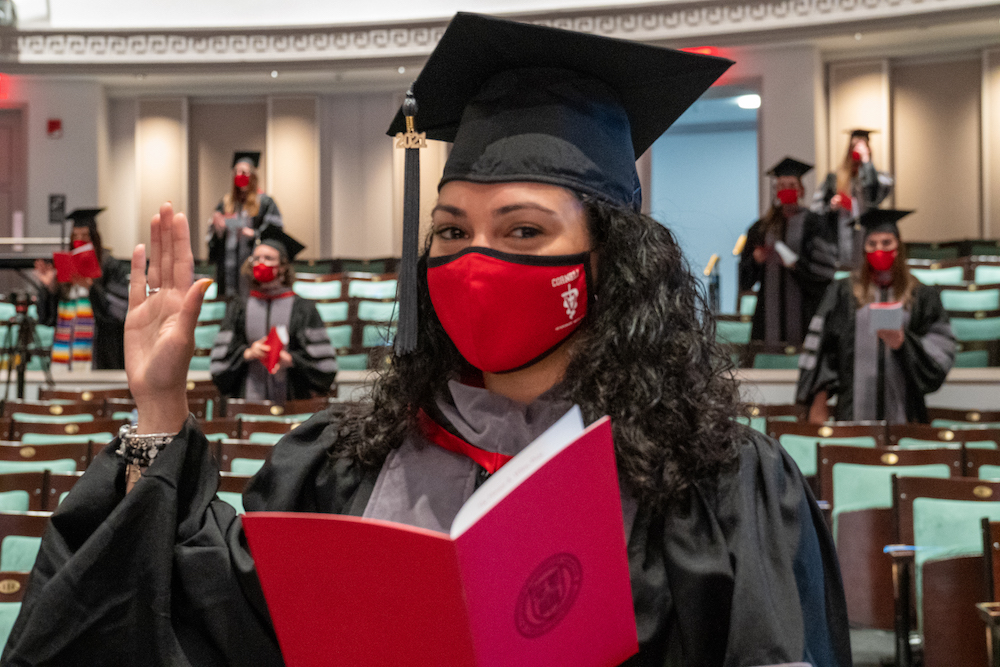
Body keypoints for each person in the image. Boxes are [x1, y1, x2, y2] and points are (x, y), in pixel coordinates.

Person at [2, 14, 851, 667]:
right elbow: (193, 611)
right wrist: (158, 403)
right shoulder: (341, 463)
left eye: (522, 233)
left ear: (613, 261)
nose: (477, 261)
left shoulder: (720, 482)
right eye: (450, 231)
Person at [797, 209, 955, 424]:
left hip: (906, 413)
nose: (879, 249)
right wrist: (819, 399)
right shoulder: (844, 292)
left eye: (886, 243)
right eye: (872, 244)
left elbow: (942, 348)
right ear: (864, 248)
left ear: (898, 247)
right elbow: (822, 348)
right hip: (852, 411)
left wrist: (904, 343)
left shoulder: (922, 294)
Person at [210, 228, 337, 401]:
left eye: (268, 258)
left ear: (283, 267)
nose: (261, 262)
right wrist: (247, 353)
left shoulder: (303, 309)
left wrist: (292, 360)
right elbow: (219, 365)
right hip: (247, 403)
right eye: (256, 258)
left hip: (293, 401)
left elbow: (326, 367)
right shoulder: (239, 307)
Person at [739, 157, 835, 348]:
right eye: (781, 185)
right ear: (775, 191)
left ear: (801, 190)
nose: (786, 189)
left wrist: (797, 266)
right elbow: (745, 280)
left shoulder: (816, 224)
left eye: (791, 185)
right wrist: (756, 261)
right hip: (767, 316)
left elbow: (826, 272)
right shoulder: (760, 228)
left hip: (805, 313)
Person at [32, 208, 130, 370]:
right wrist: (50, 288)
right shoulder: (65, 268)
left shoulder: (109, 265)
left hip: (99, 356)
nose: (80, 241)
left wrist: (91, 287)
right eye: (75, 236)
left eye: (85, 236)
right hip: (64, 355)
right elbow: (47, 319)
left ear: (94, 238)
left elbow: (118, 312)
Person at [810, 129, 894, 270]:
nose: (857, 150)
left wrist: (867, 161)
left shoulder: (878, 177)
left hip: (867, 240)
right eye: (854, 146)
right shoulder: (834, 178)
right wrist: (831, 206)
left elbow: (876, 196)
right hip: (838, 245)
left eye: (862, 146)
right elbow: (816, 210)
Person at [207, 152, 283, 300]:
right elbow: (214, 238)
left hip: (251, 263)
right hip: (228, 265)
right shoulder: (226, 202)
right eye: (236, 172)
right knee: (229, 302)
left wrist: (254, 234)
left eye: (244, 172)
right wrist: (217, 225)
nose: (239, 175)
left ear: (253, 176)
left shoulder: (265, 202)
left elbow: (276, 232)